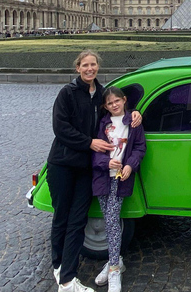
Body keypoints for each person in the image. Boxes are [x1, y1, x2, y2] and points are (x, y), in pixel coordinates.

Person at [47, 50, 141, 292]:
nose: (90, 69)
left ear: (97, 67)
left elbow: (119, 108)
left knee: (77, 220)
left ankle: (67, 276)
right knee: (61, 217)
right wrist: (89, 142)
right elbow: (60, 128)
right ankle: (58, 267)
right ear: (78, 67)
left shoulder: (101, 94)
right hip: (63, 162)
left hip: (87, 166)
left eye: (93, 65)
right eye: (85, 65)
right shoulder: (67, 93)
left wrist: (136, 113)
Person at [92, 87, 146, 292]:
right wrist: (105, 163)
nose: (114, 105)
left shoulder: (133, 122)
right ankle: (115, 261)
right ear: (105, 106)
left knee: (113, 220)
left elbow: (140, 147)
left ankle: (114, 268)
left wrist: (130, 165)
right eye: (109, 103)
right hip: (102, 177)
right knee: (109, 221)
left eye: (117, 101)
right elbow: (95, 151)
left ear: (124, 100)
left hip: (120, 178)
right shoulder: (102, 124)